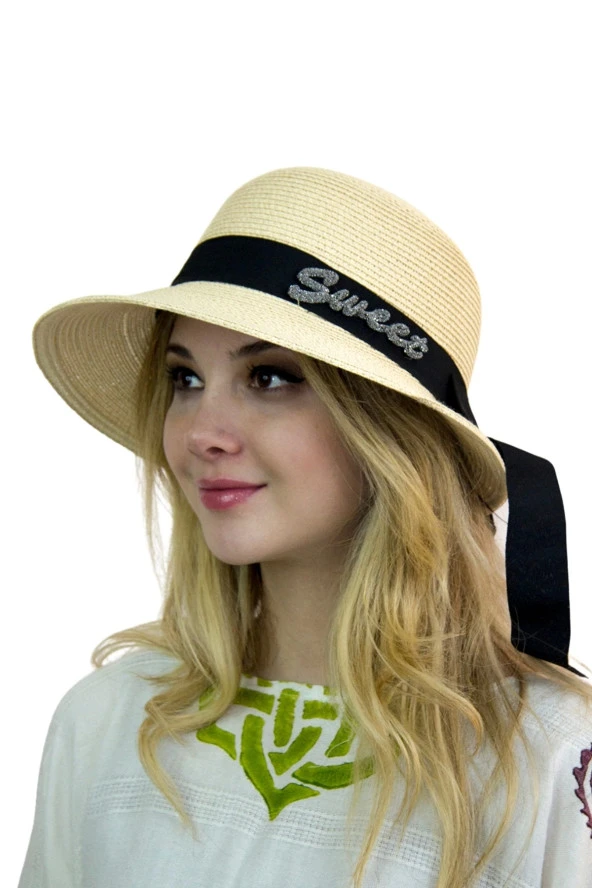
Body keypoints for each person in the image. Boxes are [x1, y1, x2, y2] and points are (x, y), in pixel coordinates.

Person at [20, 167, 592, 888]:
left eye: (269, 377)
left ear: (388, 432)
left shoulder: (545, 755)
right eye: (184, 378)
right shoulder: (108, 721)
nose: (201, 433)